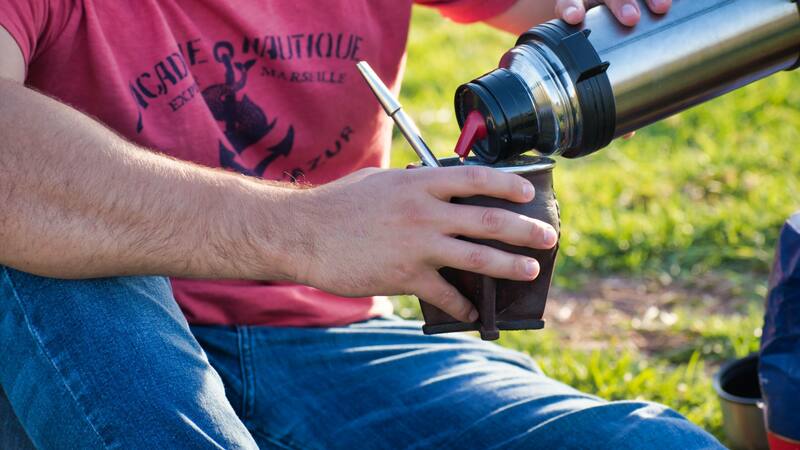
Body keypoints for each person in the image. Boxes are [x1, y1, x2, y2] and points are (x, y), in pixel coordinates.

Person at [0, 0, 723, 448]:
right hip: (88, 327)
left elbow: (579, 8)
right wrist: (306, 230)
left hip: (328, 342)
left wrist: (637, 22)